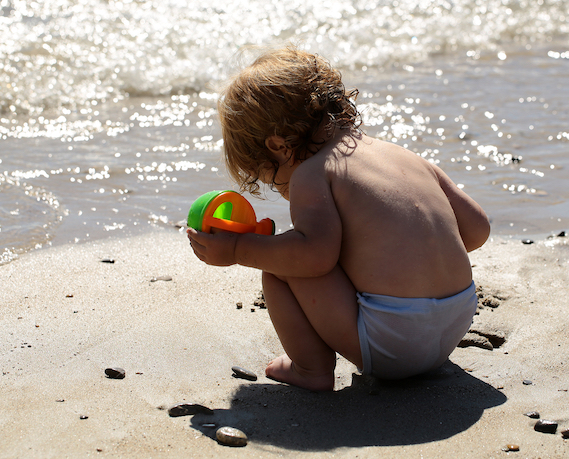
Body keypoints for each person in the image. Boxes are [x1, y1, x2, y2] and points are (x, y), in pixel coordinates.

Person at [187, 45, 490, 391]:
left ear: (279, 147)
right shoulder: (400, 155)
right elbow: (477, 229)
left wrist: (240, 248)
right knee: (328, 248)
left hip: (395, 343)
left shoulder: (312, 173)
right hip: (457, 317)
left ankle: (310, 369)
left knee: (283, 263)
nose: (278, 189)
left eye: (267, 177)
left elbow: (313, 257)